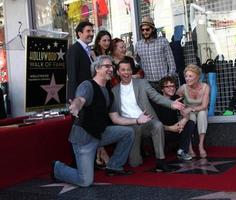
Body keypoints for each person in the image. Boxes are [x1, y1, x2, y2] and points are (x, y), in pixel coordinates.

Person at [52, 55, 152, 187]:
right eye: (107, 66)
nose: (111, 69)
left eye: (112, 66)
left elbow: (115, 118)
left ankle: (114, 166)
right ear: (97, 68)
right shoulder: (87, 85)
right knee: (85, 181)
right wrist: (75, 106)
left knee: (128, 132)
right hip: (84, 139)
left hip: (100, 134)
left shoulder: (108, 92)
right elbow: (80, 99)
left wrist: (137, 120)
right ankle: (57, 168)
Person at [110, 60, 185, 171]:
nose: (126, 72)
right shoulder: (113, 91)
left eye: (128, 69)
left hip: (146, 121)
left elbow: (155, 96)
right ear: (118, 72)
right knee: (135, 163)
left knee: (158, 125)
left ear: (132, 71)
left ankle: (161, 160)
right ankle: (138, 152)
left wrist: (171, 104)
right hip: (130, 126)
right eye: (123, 70)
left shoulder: (142, 83)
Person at [154, 76, 197, 161]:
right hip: (163, 131)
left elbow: (185, 113)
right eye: (168, 86)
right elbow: (154, 123)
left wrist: (183, 122)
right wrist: (170, 128)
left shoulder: (176, 98)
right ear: (162, 89)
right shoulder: (157, 101)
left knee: (190, 123)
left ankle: (181, 151)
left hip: (176, 129)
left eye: (173, 86)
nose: (172, 88)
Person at [135, 16, 177, 91]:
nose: (145, 32)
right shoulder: (138, 45)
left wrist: (168, 79)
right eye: (142, 30)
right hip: (148, 83)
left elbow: (171, 63)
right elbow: (136, 63)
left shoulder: (163, 42)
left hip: (163, 82)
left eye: (147, 29)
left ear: (153, 29)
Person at [177, 64, 210, 158]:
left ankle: (201, 145)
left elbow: (204, 106)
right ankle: (190, 147)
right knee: (190, 117)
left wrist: (191, 108)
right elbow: (175, 101)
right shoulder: (183, 88)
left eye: (190, 76)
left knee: (203, 114)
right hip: (188, 112)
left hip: (200, 109)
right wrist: (182, 109)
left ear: (198, 77)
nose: (187, 78)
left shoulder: (205, 87)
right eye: (186, 76)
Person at [91, 30, 112, 170]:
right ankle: (102, 152)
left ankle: (100, 154)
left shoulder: (109, 56)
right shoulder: (94, 55)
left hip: (108, 88)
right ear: (98, 41)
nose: (106, 43)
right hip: (98, 89)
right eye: (104, 40)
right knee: (99, 121)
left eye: (108, 40)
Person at [66, 21, 94, 100]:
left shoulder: (88, 49)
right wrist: (75, 99)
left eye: (92, 31)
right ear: (80, 34)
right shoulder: (74, 50)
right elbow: (72, 76)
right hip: (80, 96)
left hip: (88, 94)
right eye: (88, 31)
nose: (91, 34)